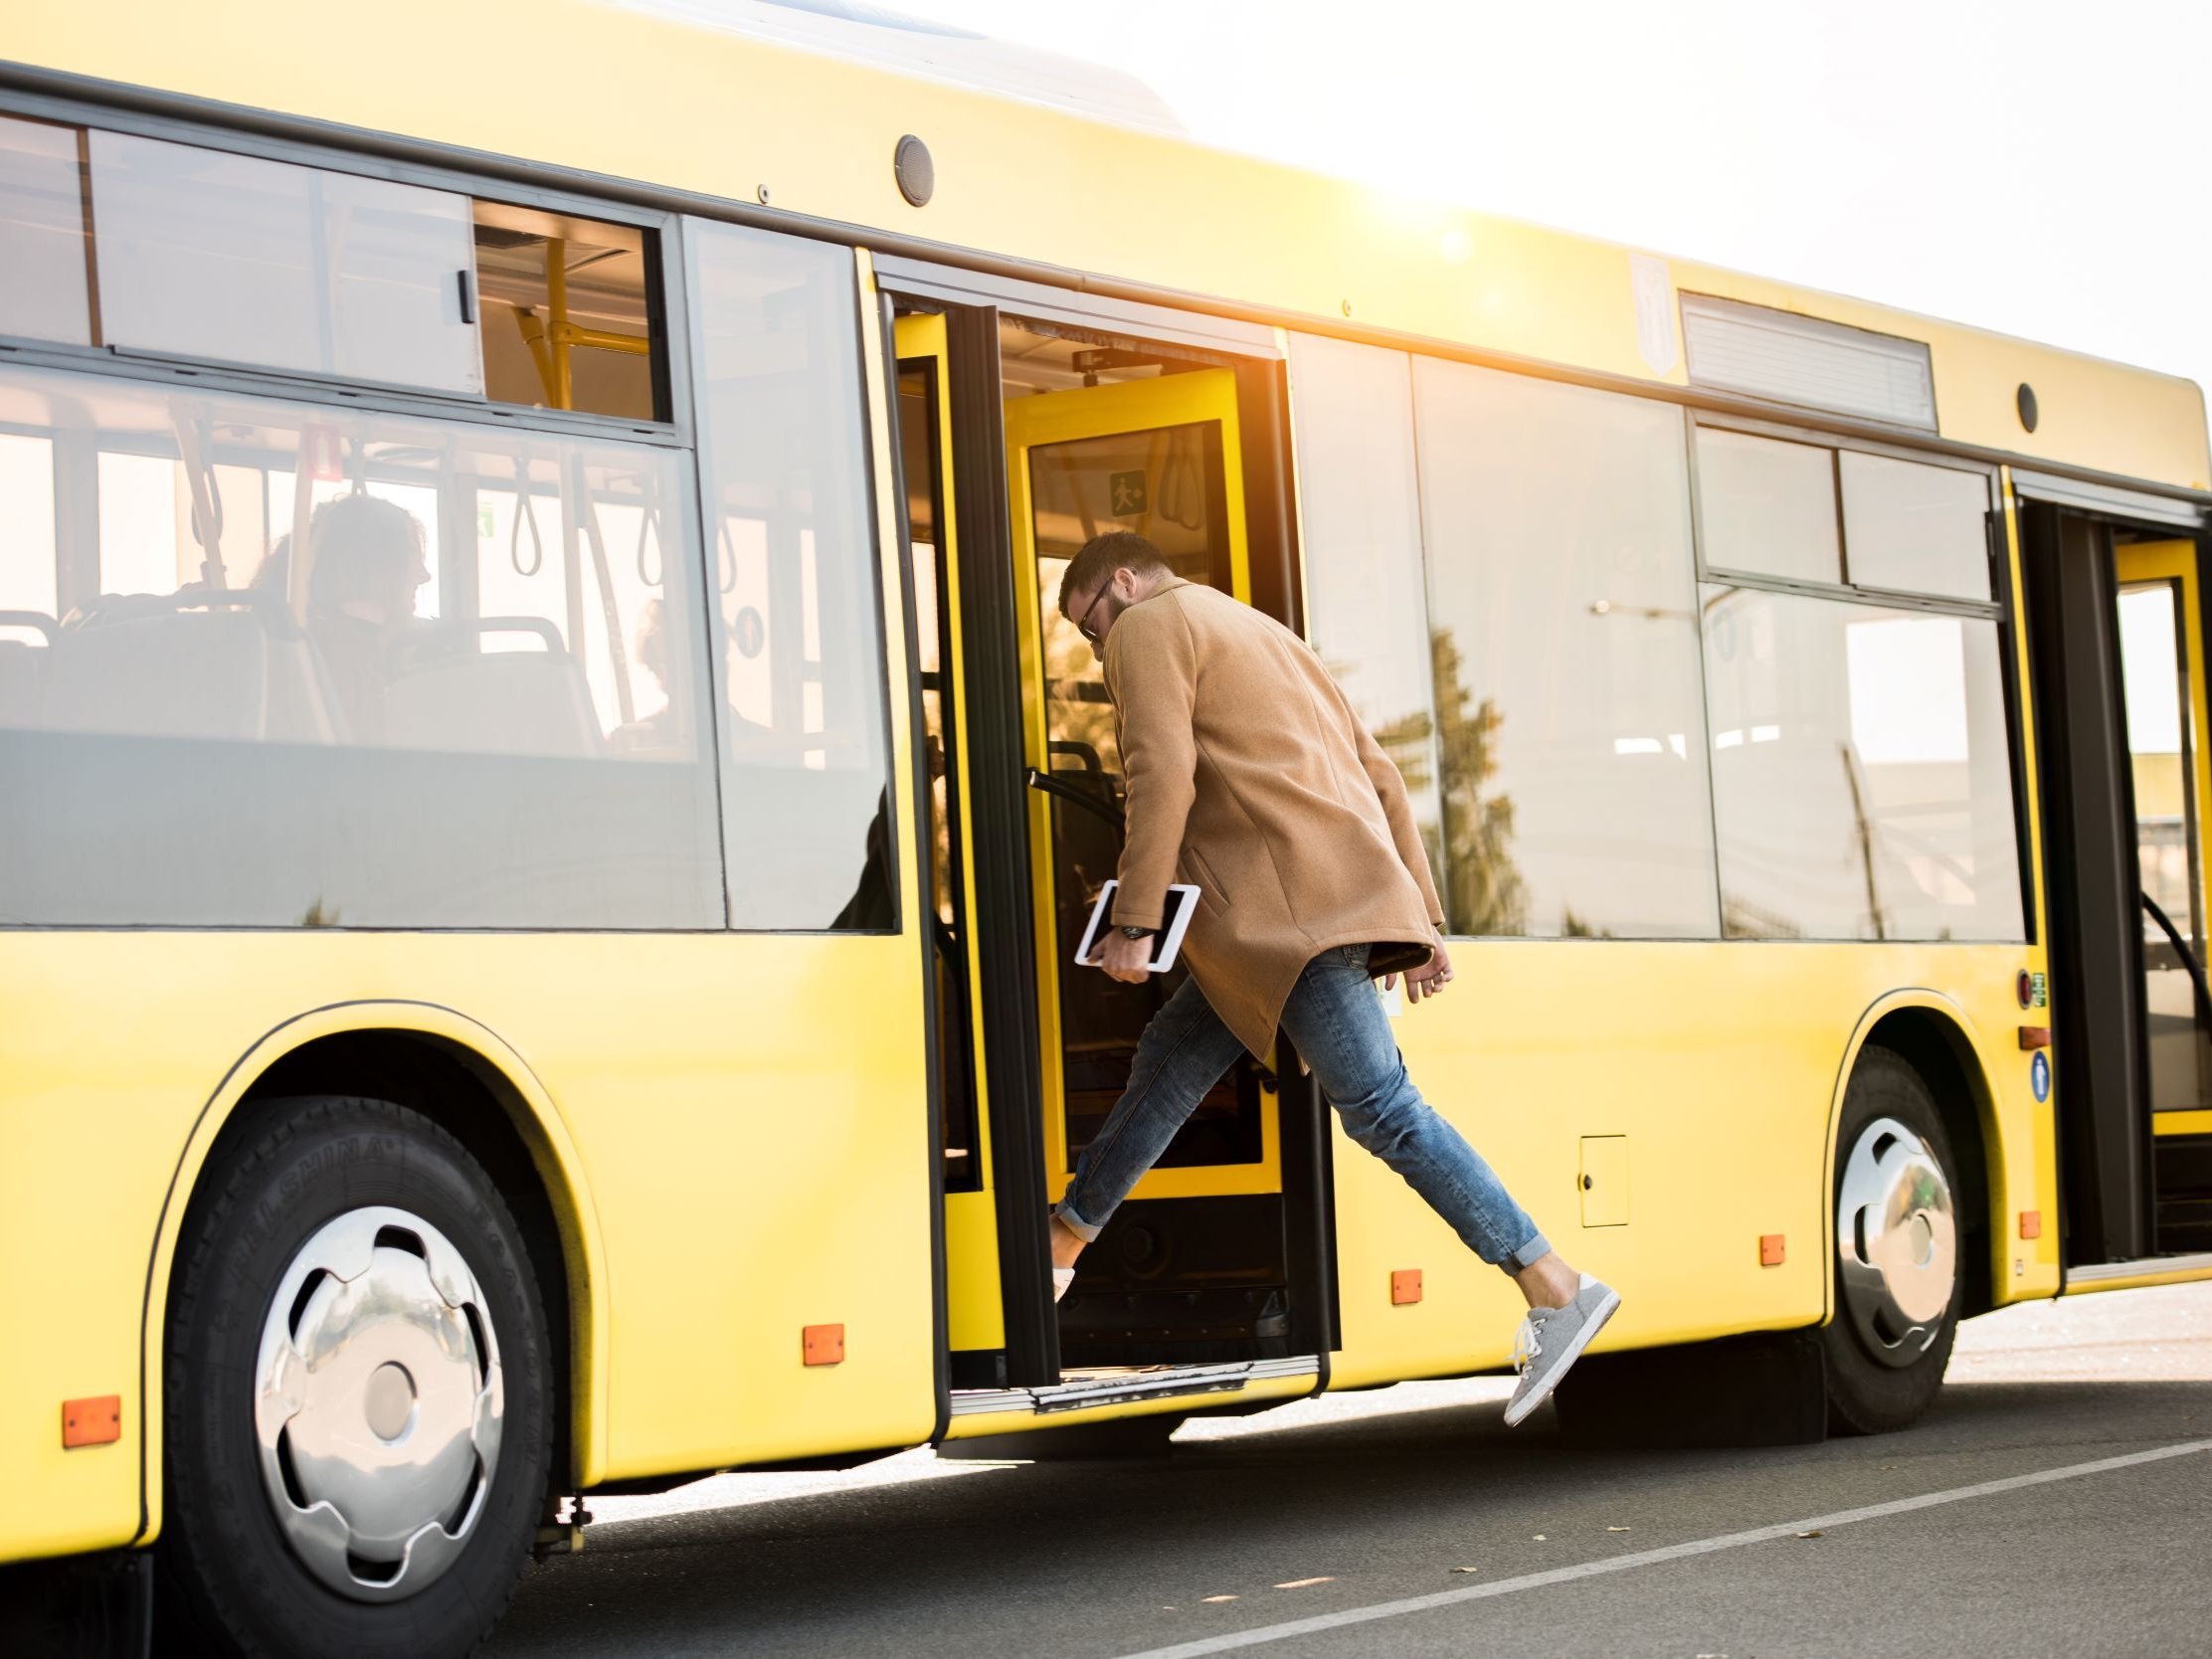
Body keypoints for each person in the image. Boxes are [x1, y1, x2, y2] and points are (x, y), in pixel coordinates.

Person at [1049, 530, 1618, 1427]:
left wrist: (1134, 919)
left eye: (1091, 624)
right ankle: (1064, 1239)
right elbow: (1380, 774)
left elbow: (1162, 771)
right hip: (1293, 923)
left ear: (1124, 581)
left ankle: (1553, 1284)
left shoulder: (1151, 623)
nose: (1096, 649)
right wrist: (1422, 918)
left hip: (1289, 927)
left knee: (1384, 1110)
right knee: (1170, 1056)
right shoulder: (1266, 633)